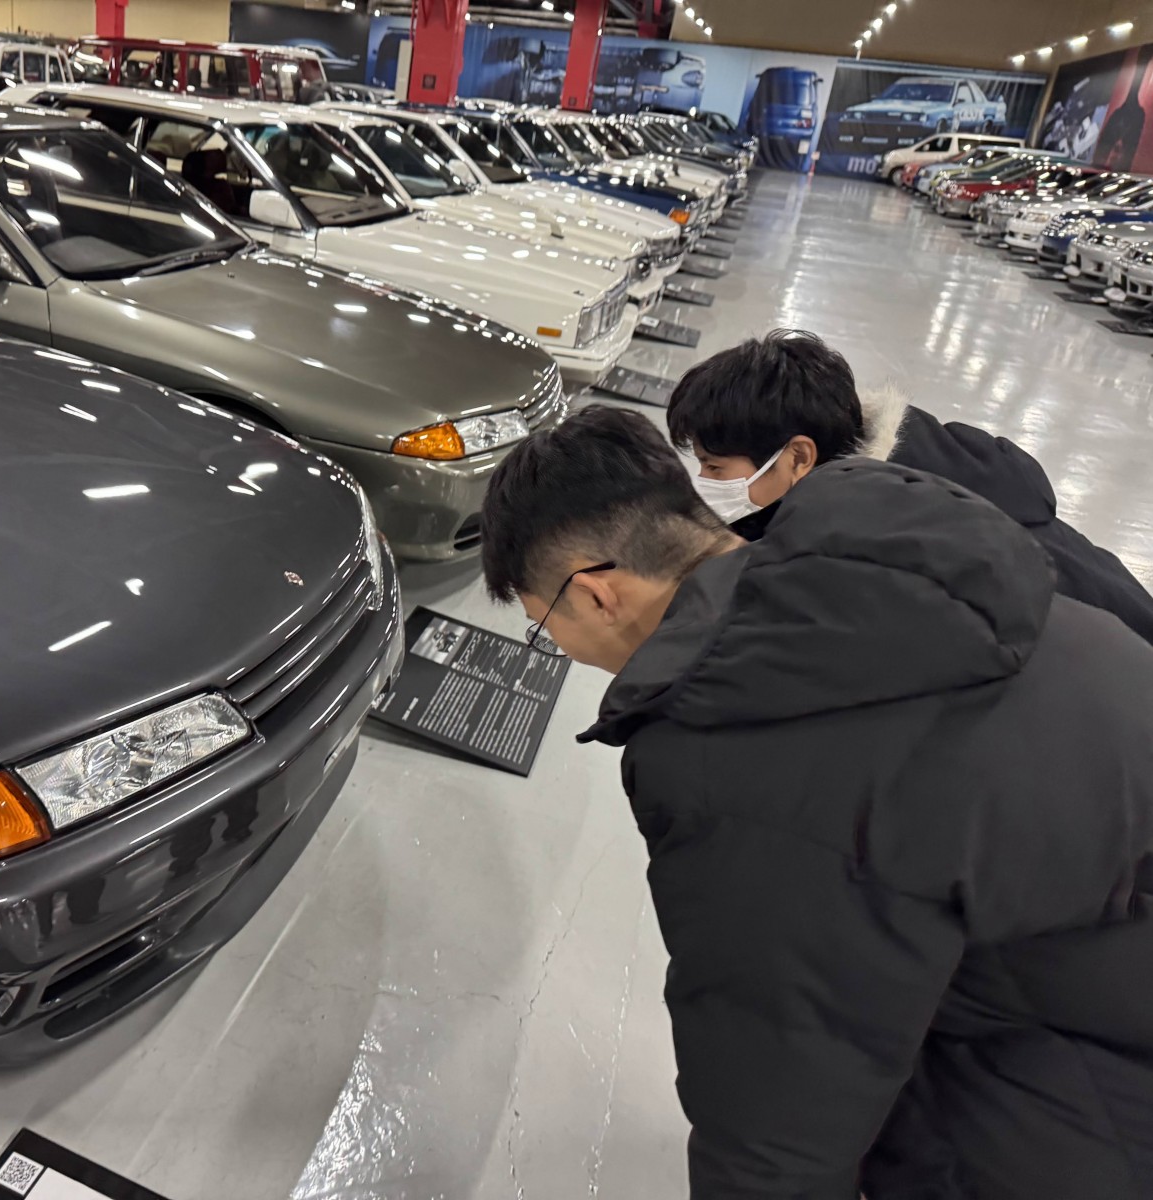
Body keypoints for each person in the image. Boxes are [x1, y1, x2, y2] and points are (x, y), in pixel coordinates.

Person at [478, 403, 1153, 1197]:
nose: (558, 646)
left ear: (597, 595)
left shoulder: (733, 755)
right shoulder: (893, 570)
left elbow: (780, 1096)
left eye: (544, 625)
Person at [665, 329, 1153, 643]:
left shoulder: (904, 551)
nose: (704, 483)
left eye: (714, 467)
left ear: (798, 457)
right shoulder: (920, 472)